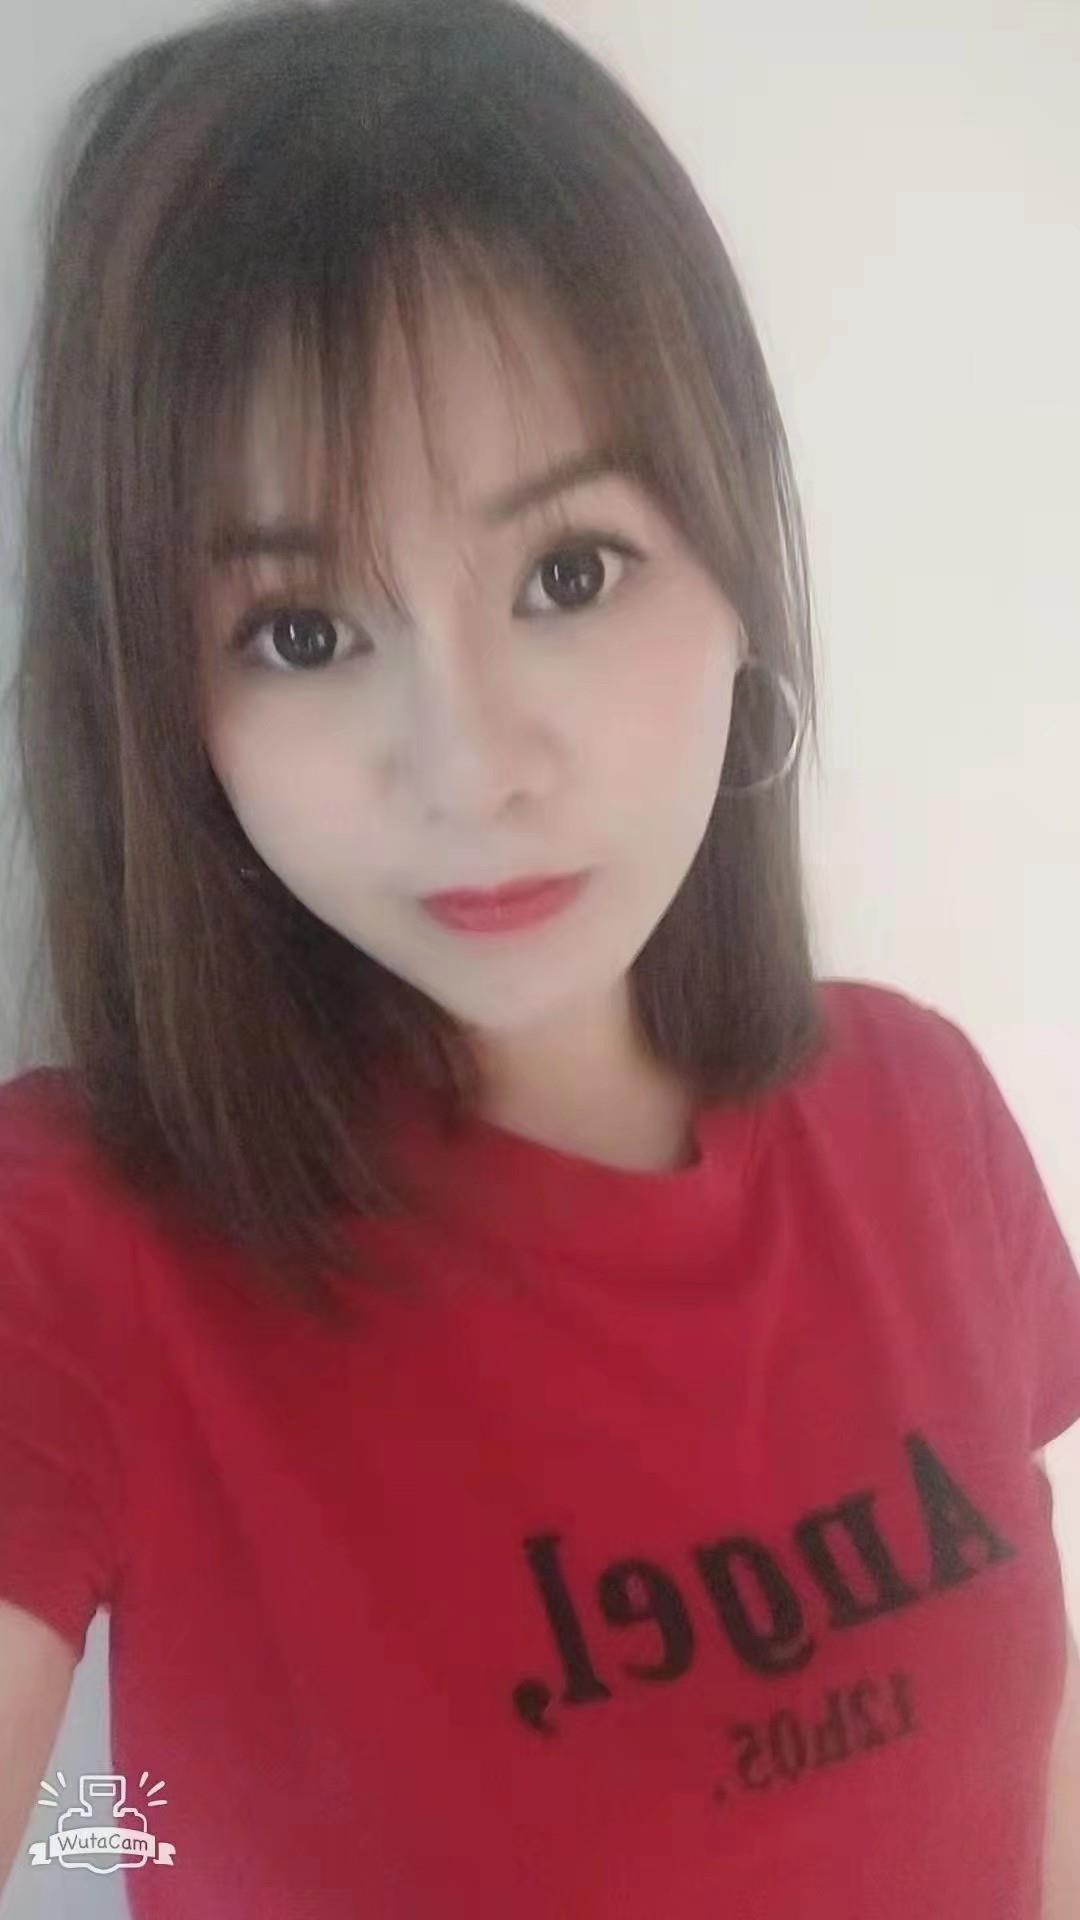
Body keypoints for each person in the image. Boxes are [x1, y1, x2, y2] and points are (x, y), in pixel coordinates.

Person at [0, 0, 1077, 1914]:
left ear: (737, 570)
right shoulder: (77, 1246)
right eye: (304, 631)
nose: (473, 770)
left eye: (569, 572)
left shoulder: (919, 1113)